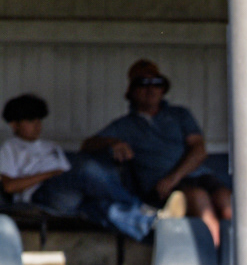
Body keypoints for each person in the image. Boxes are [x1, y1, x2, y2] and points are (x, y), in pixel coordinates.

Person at [81, 59, 232, 247]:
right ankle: (215, 261)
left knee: (226, 200)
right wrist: (112, 141)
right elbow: (87, 145)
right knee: (199, 199)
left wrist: (173, 178)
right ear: (132, 91)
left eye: (157, 83)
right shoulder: (124, 125)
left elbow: (199, 150)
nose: (150, 89)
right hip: (160, 190)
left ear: (163, 89)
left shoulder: (180, 115)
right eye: (143, 84)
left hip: (193, 175)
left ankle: (238, 259)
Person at [0, 93, 186, 241]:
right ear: (14, 125)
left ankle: (156, 225)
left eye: (39, 120)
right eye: (30, 121)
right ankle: (141, 207)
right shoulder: (10, 148)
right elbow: (9, 186)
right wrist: (49, 174)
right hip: (41, 197)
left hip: (73, 196)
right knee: (85, 167)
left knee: (106, 208)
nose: (37, 126)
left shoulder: (52, 147)